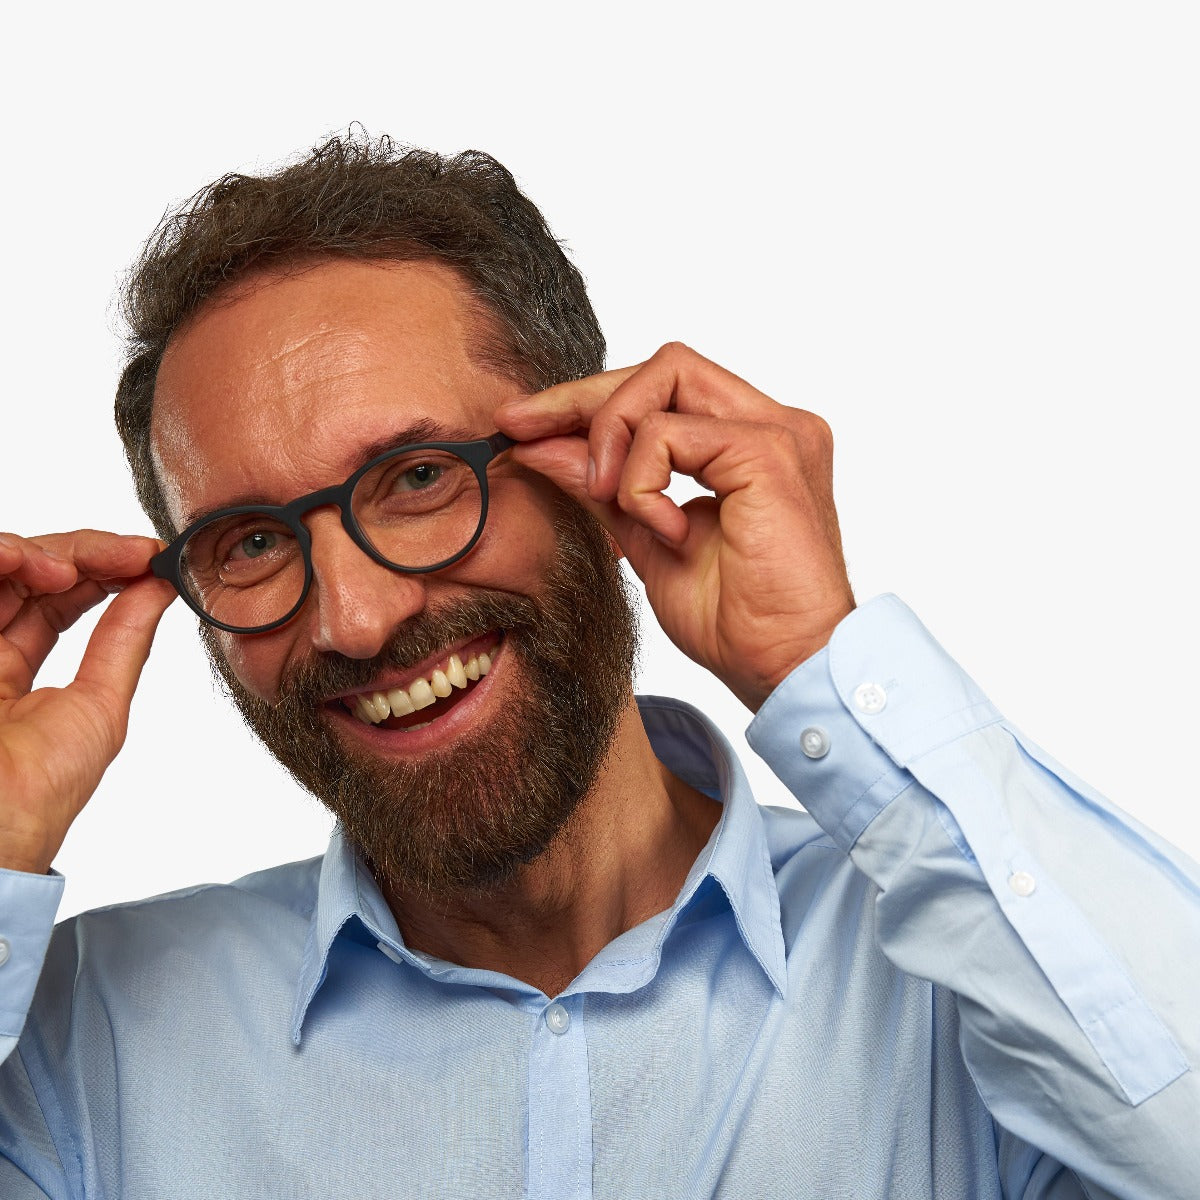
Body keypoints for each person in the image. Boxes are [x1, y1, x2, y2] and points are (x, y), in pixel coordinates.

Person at [0, 133, 1195, 1199]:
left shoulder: (969, 978)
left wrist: (819, 663)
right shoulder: (81, 1045)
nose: (353, 620)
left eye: (419, 479)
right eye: (252, 543)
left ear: (595, 457)